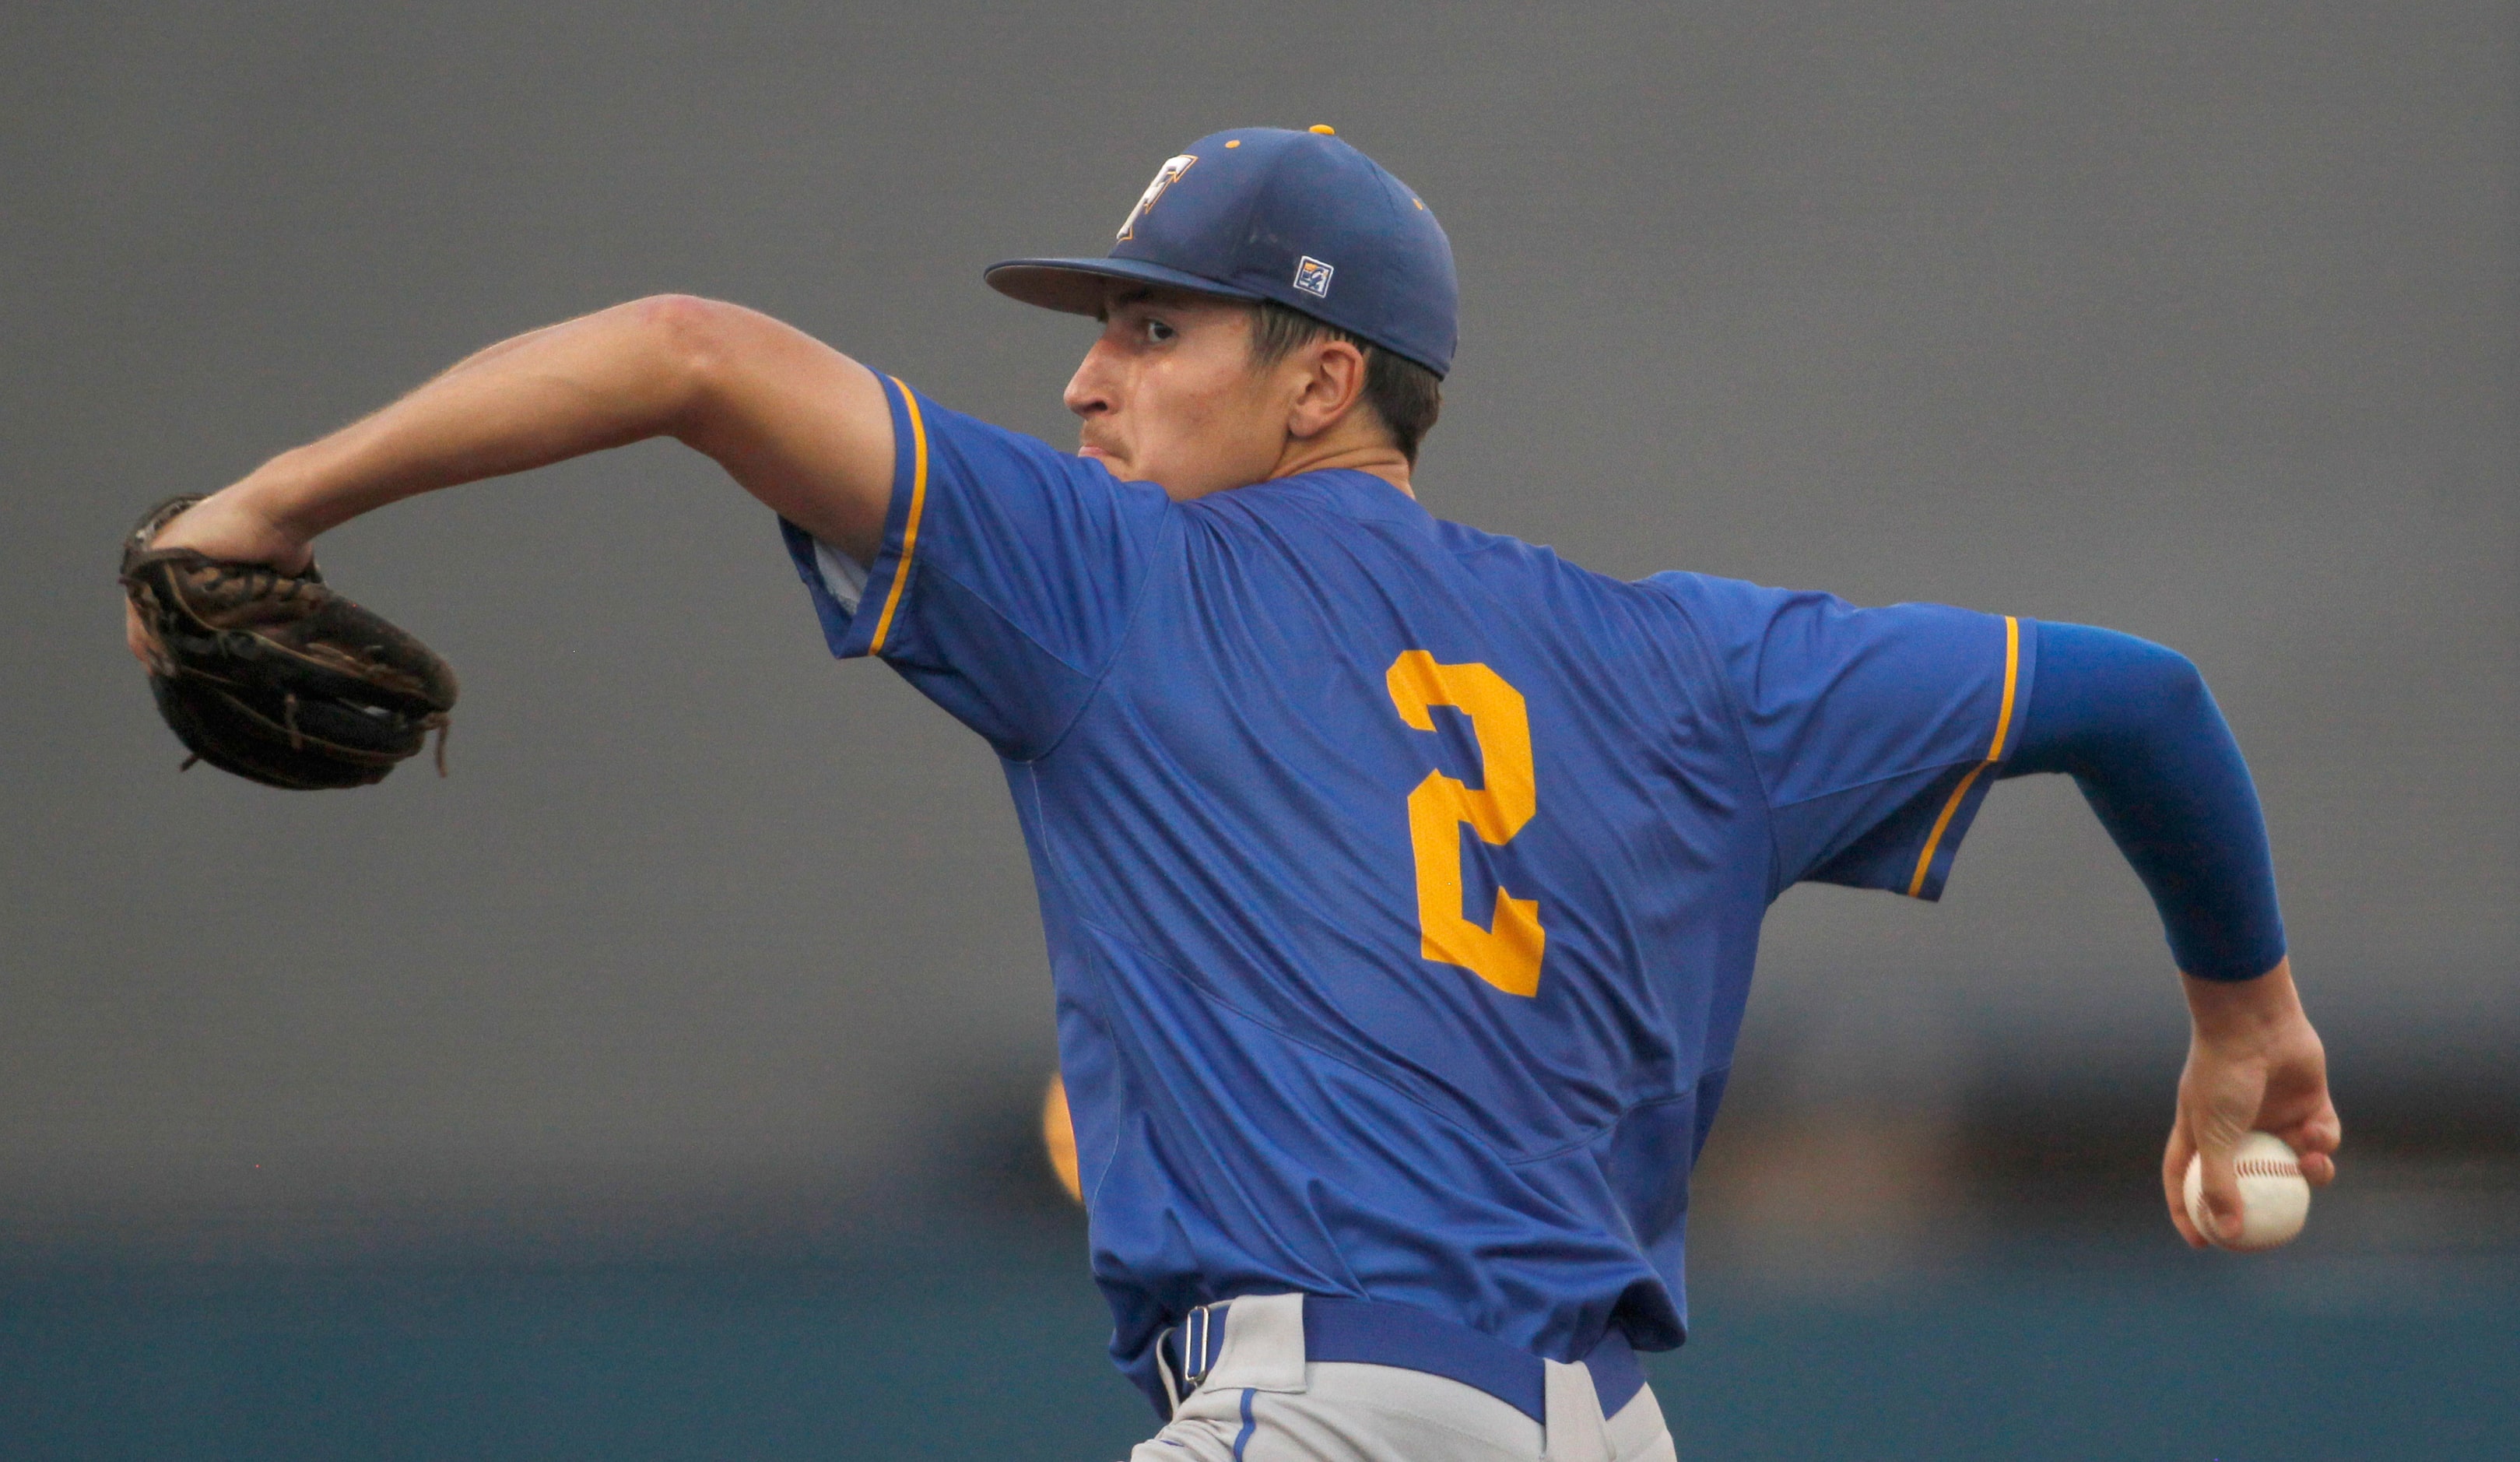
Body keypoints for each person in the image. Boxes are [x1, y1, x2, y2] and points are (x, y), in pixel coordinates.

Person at [127, 125, 2339, 1461]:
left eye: (1158, 330)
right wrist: (2244, 1013)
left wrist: (267, 501)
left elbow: (695, 353)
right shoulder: (1697, 668)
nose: (1086, 377)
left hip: (1331, 1414)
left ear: (1324, 379)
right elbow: (2139, 701)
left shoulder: (1114, 577)